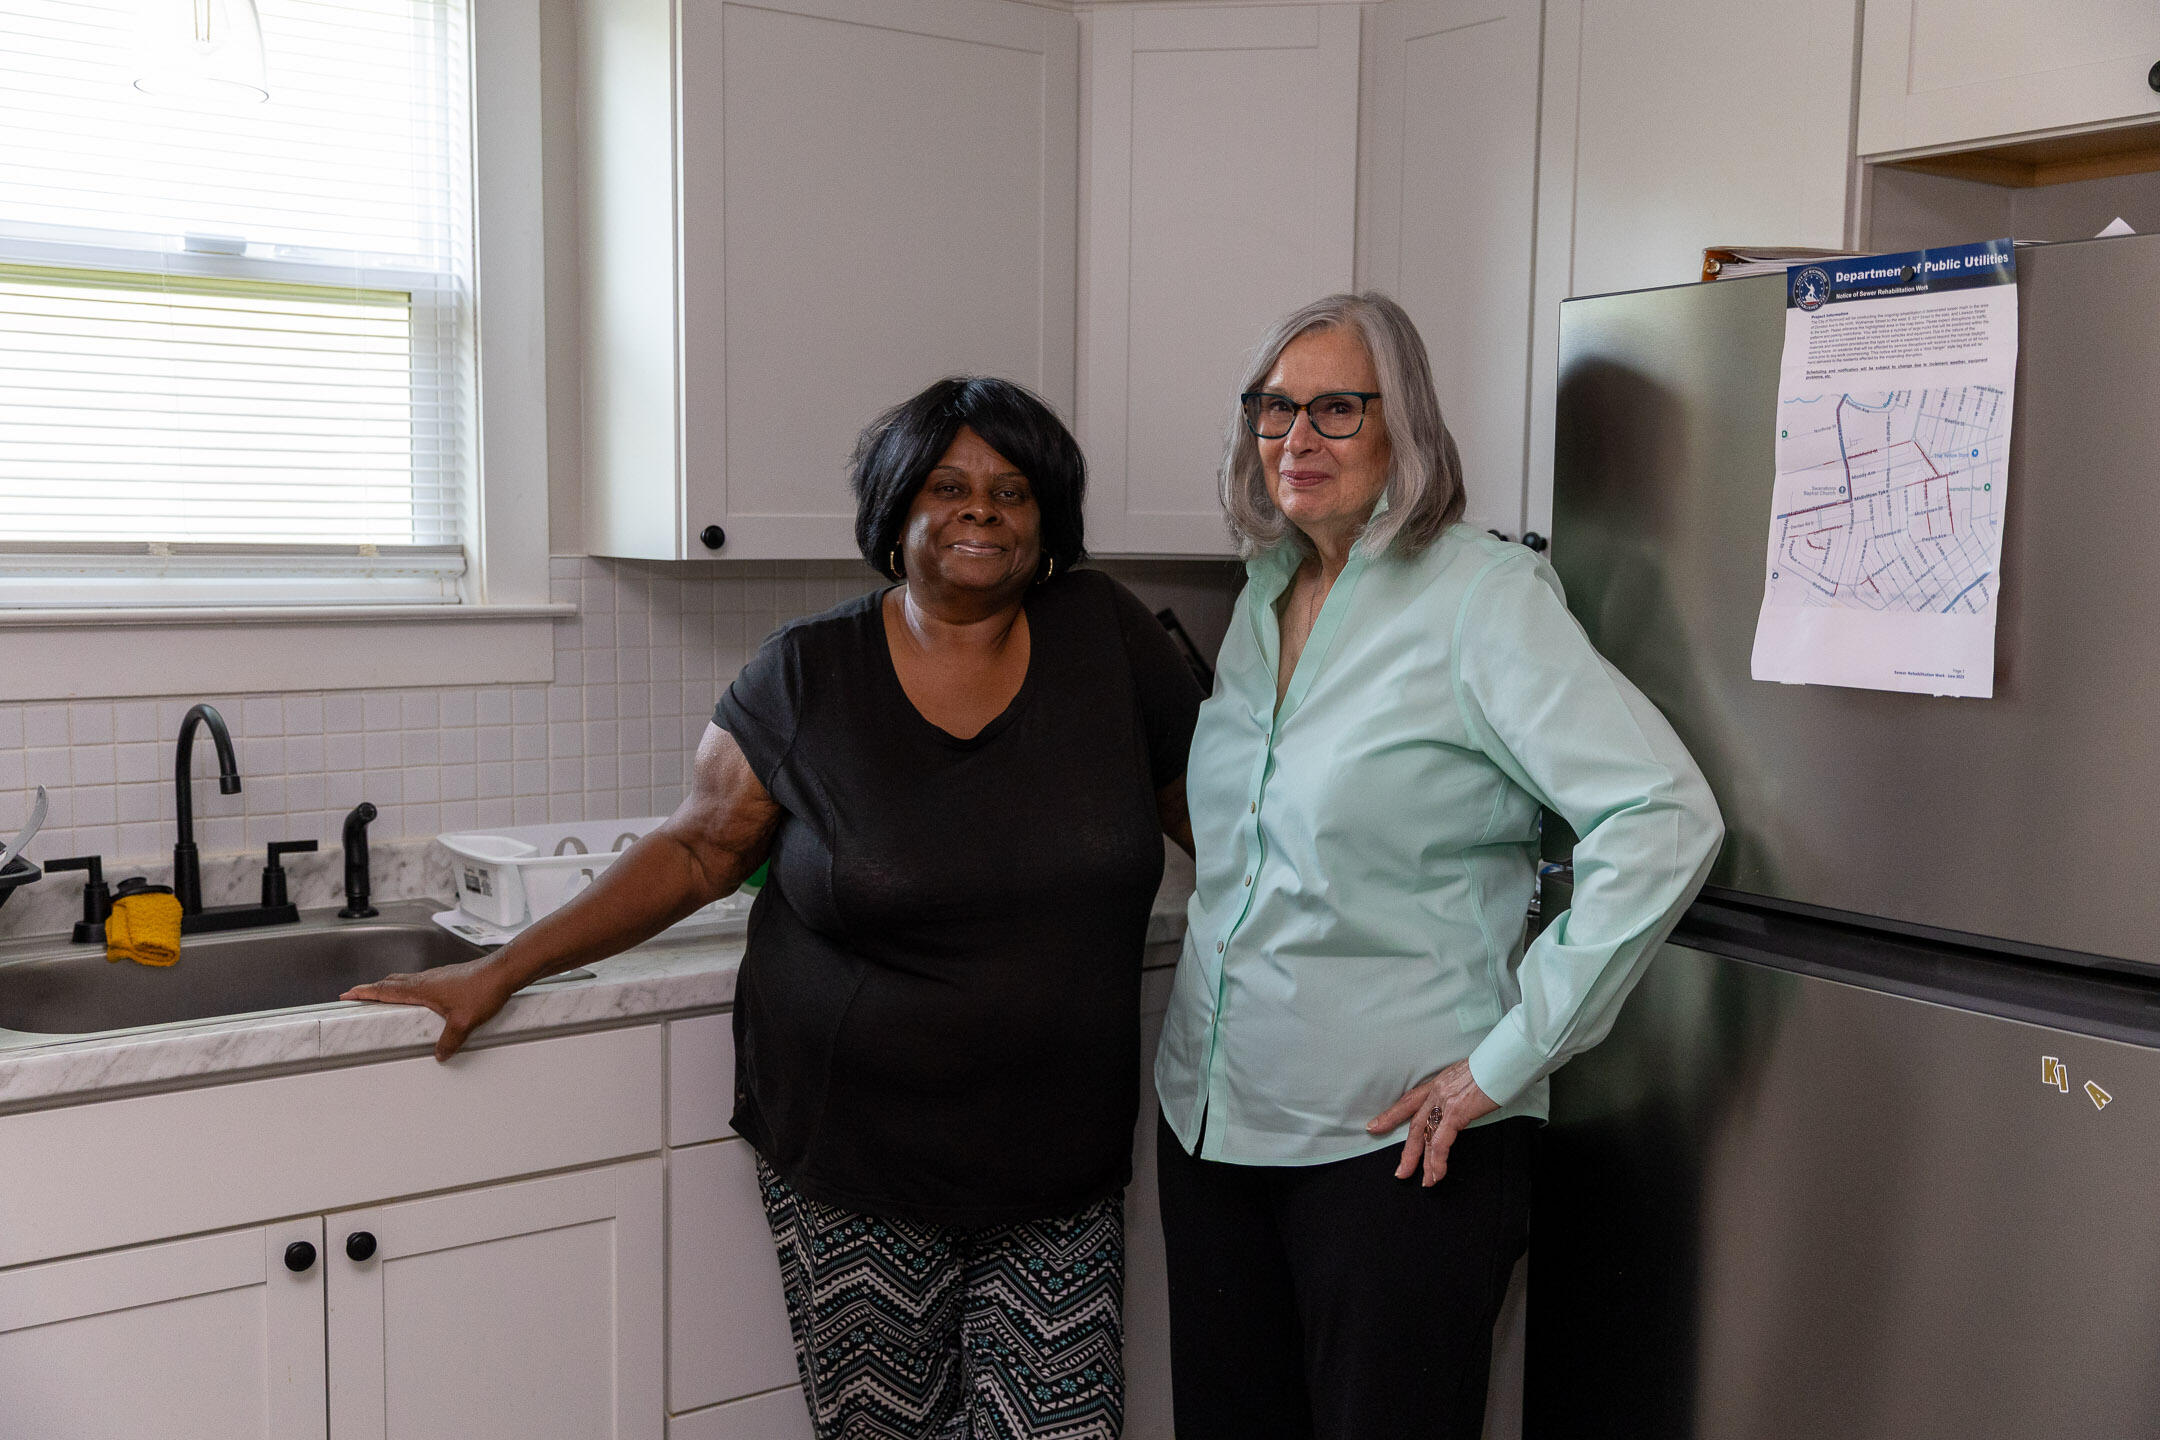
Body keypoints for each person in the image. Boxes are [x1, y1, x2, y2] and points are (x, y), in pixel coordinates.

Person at [346, 376, 1203, 1440]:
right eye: (948, 485)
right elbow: (698, 851)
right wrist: (500, 968)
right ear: (895, 514)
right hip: (859, 1162)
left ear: (1048, 521)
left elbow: (1210, 820)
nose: (982, 509)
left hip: (1062, 1168)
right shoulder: (808, 672)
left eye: (1013, 490)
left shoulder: (1110, 643)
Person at [1152, 292, 1724, 1440]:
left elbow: (1660, 816)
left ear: (1405, 429)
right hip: (1211, 1127)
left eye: (1336, 410)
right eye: (1273, 409)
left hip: (1399, 1150)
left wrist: (1506, 1059)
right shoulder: (1264, 596)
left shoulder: (1481, 598)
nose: (1295, 440)